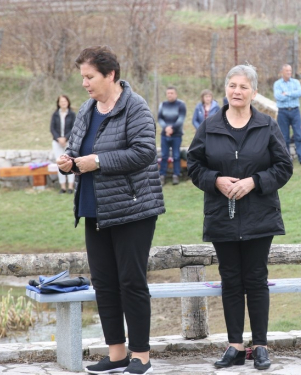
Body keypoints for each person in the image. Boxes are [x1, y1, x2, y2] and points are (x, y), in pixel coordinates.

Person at [56, 46, 165, 375]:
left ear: (110, 75)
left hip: (133, 209)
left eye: (90, 77)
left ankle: (141, 355)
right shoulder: (88, 109)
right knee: (103, 283)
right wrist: (67, 164)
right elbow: (76, 150)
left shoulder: (136, 107)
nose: (85, 84)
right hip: (94, 208)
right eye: (82, 78)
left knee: (131, 281)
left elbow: (145, 152)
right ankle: (116, 353)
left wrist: (98, 161)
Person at [187, 65, 293, 371]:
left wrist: (255, 182)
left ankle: (260, 344)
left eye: (243, 87)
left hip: (260, 215)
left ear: (254, 93)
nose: (237, 91)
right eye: (232, 85)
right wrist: (216, 180)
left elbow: (284, 166)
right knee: (230, 279)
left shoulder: (267, 125)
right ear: (225, 89)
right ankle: (234, 345)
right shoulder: (209, 126)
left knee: (256, 279)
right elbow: (193, 164)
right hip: (222, 215)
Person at [273, 64, 301, 165]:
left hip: (295, 111)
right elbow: (278, 96)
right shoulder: (277, 84)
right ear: (282, 72)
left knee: (298, 135)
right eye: (287, 71)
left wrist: (286, 93)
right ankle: (287, 159)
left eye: (290, 71)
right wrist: (292, 93)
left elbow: (299, 93)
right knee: (284, 137)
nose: (289, 72)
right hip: (283, 112)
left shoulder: (296, 82)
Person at [158, 86, 186, 186]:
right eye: (168, 93)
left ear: (176, 94)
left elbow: (181, 119)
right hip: (164, 135)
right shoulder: (163, 105)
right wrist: (166, 128)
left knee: (176, 155)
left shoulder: (181, 104)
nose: (170, 95)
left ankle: (176, 175)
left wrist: (172, 128)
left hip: (177, 135)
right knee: (164, 155)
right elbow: (160, 118)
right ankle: (162, 176)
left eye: (172, 93)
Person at [50, 95, 76, 194]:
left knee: (69, 162)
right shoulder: (55, 114)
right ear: (58, 103)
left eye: (65, 101)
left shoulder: (72, 114)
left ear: (68, 102)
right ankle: (63, 187)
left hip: (69, 141)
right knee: (60, 163)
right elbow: (52, 128)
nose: (63, 103)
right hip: (57, 142)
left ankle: (70, 186)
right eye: (61, 101)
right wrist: (58, 138)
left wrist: (66, 138)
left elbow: (74, 127)